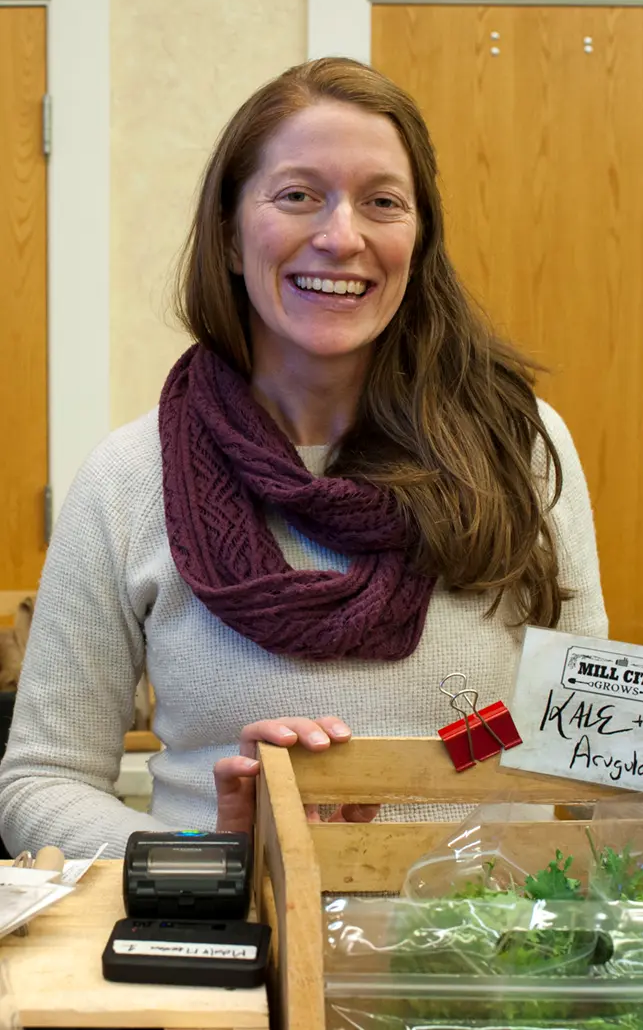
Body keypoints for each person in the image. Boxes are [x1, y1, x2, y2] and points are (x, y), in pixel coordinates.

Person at [0, 58, 607, 859]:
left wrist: (442, 767)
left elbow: (588, 736)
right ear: (227, 232)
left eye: (382, 202)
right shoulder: (128, 481)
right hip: (231, 954)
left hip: (481, 952)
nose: (341, 236)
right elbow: (42, 780)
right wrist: (209, 856)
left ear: (418, 240)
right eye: (297, 195)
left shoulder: (519, 448)